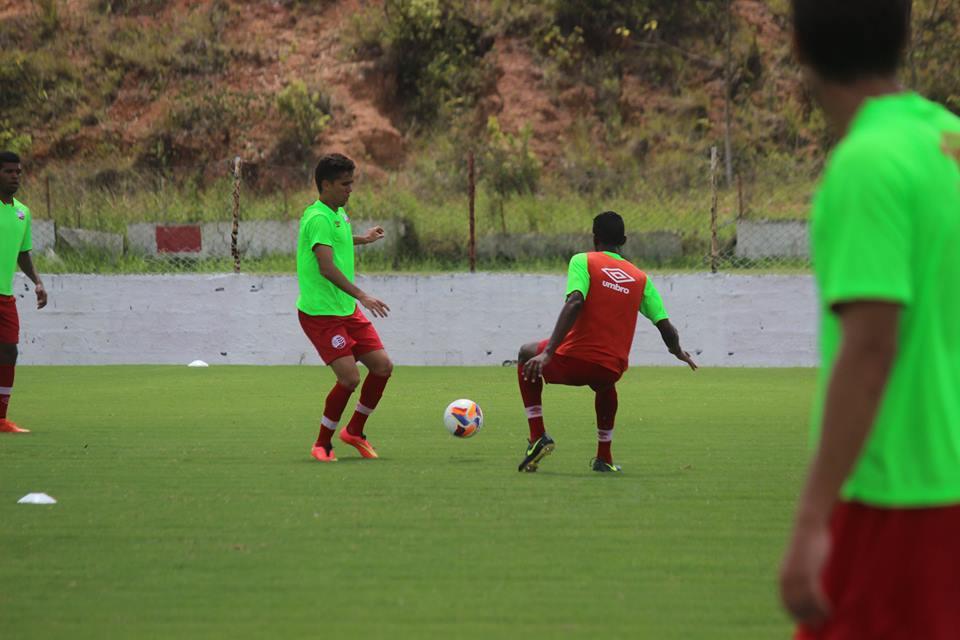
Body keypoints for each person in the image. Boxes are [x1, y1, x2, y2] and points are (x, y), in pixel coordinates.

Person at [778, 1, 960, 637]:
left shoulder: (867, 163)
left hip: (896, 494)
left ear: (798, 44)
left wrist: (810, 522)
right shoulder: (948, 141)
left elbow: (871, 348)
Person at [516, 211, 697, 473]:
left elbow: (575, 300)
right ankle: (604, 457)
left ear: (594, 238)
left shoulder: (584, 261)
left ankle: (537, 437)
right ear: (623, 240)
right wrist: (677, 351)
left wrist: (548, 353)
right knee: (605, 386)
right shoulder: (640, 278)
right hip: (609, 368)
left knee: (525, 353)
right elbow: (665, 325)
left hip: (573, 359)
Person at [296, 153, 393, 462]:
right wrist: (363, 295)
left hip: (345, 309)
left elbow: (336, 240)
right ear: (326, 185)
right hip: (321, 314)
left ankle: (354, 431)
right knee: (350, 378)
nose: (350, 189)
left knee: (382, 367)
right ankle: (322, 443)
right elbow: (326, 266)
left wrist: (362, 239)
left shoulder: (336, 213)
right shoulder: (318, 218)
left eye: (352, 183)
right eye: (344, 184)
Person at [0, 151, 47, 434]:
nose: (15, 176)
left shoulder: (22, 212)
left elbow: (23, 253)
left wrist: (37, 282)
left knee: (9, 352)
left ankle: (1, 419)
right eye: (8, 172)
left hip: (5, 297)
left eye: (18, 172)